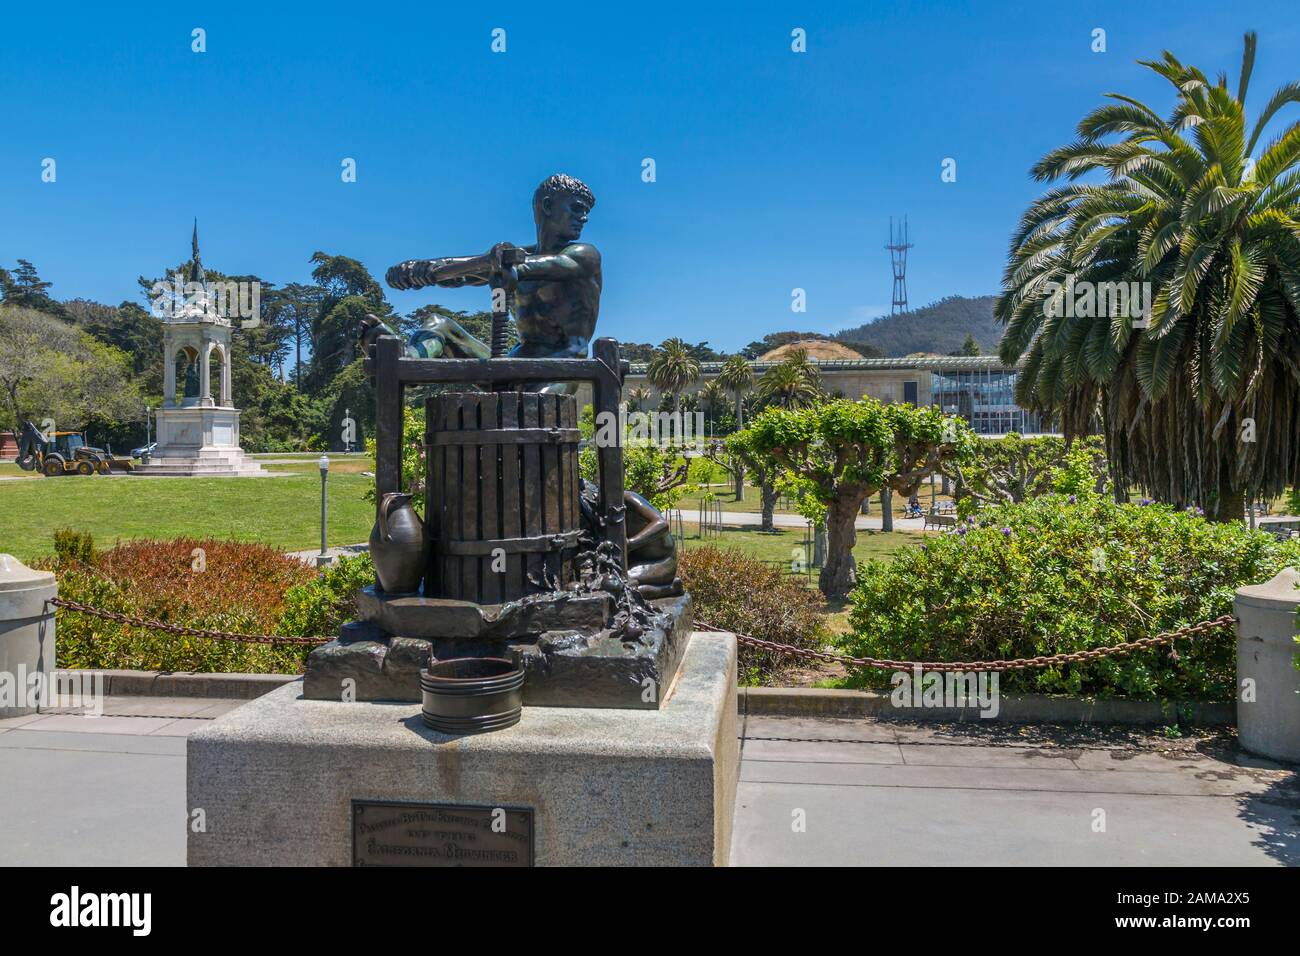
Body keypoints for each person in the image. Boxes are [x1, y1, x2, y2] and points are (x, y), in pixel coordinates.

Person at [360, 174, 601, 394]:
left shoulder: (584, 255)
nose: (584, 218)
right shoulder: (515, 257)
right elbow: (465, 273)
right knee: (438, 324)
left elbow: (526, 267)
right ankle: (406, 362)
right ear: (548, 206)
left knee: (527, 412)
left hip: (560, 369)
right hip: (511, 365)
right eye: (577, 209)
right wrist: (421, 269)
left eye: (586, 211)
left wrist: (492, 263)